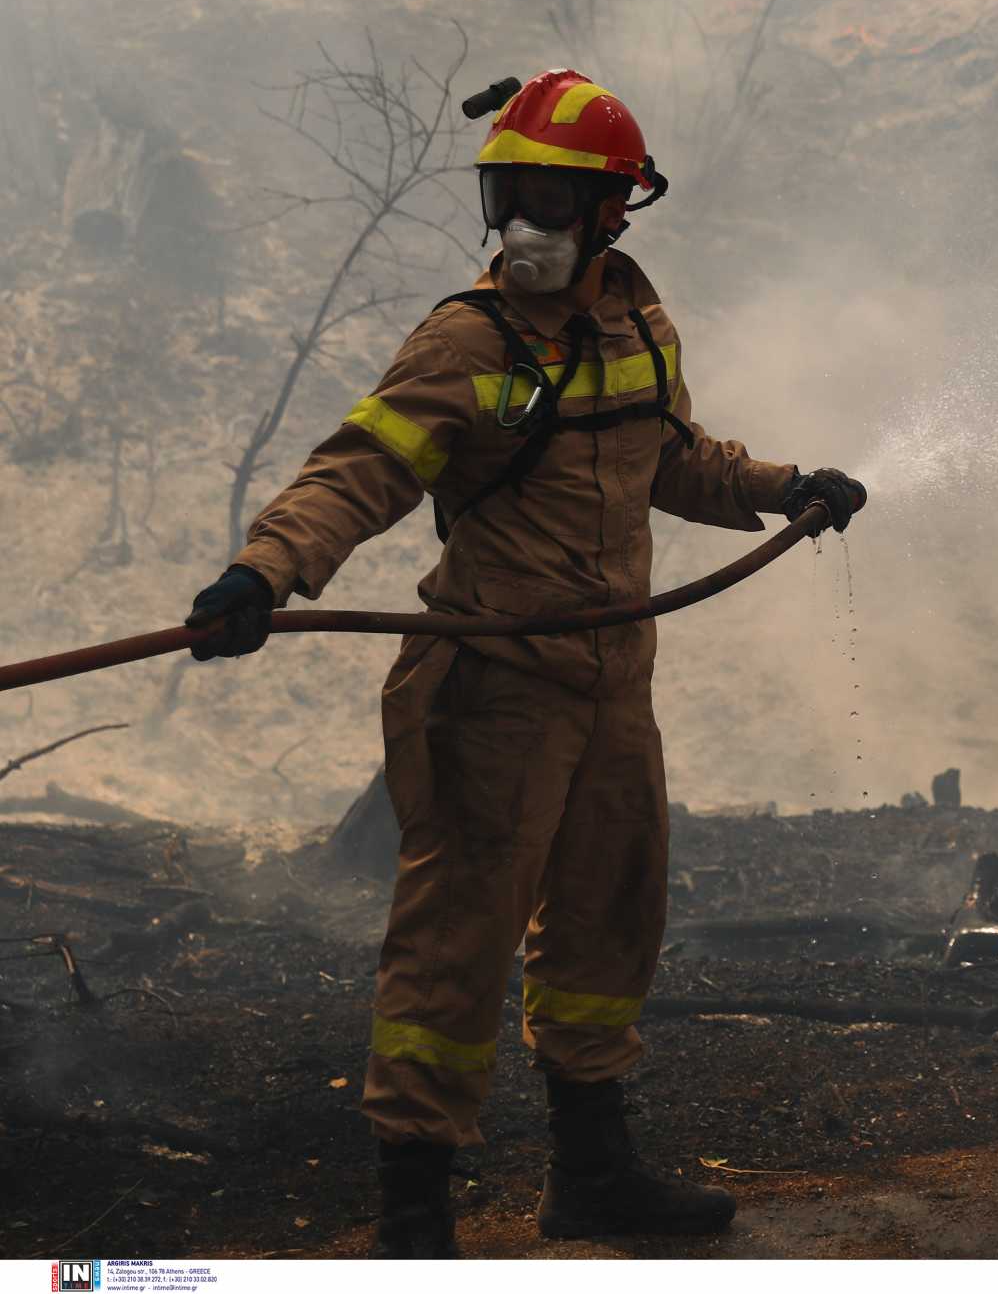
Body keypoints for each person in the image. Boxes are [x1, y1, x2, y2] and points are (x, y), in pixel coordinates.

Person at [184, 69, 862, 1256]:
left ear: (613, 212)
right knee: (458, 941)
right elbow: (362, 467)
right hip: (495, 684)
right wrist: (264, 571)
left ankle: (591, 1176)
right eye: (512, 196)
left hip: (614, 681)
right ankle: (414, 1217)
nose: (524, 227)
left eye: (553, 199)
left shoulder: (639, 325)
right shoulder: (467, 337)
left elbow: (674, 460)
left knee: (610, 922)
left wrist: (783, 487)